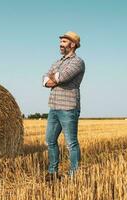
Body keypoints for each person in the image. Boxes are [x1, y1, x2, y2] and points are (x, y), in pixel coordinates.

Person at [42, 31, 85, 181]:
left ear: (72, 44)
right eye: (61, 42)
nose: (61, 44)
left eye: (64, 42)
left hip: (68, 108)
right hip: (53, 107)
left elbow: (62, 77)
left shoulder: (77, 62)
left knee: (71, 143)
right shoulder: (57, 62)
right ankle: (53, 172)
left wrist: (55, 78)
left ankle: (74, 174)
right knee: (50, 141)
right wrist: (53, 78)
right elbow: (44, 79)